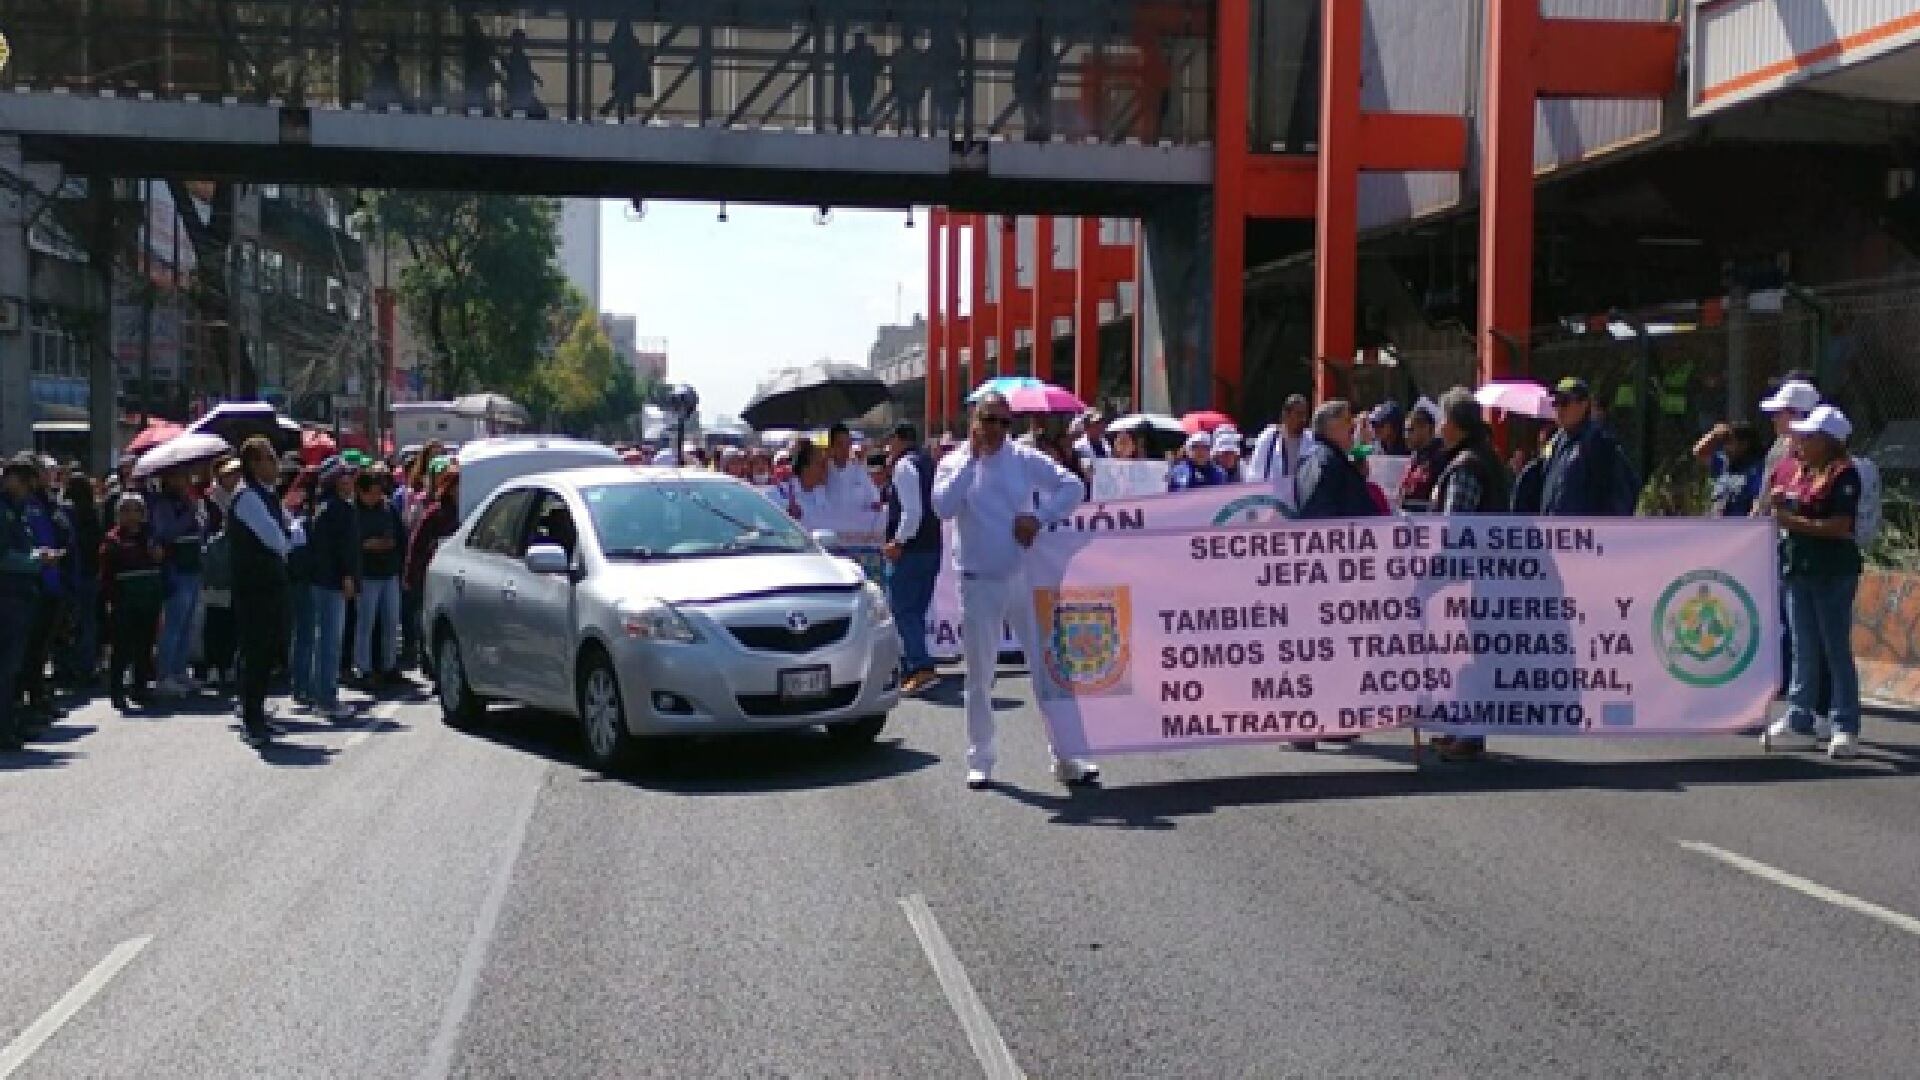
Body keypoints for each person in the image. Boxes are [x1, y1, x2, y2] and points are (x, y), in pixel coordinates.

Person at [931, 391, 1098, 790]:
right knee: (980, 677)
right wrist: (971, 459)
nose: (997, 430)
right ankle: (981, 758)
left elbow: (1071, 486)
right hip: (977, 582)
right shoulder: (955, 462)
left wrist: (1039, 517)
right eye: (990, 420)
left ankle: (1065, 755)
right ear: (974, 419)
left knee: (1048, 668)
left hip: (1022, 577)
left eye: (1005, 422)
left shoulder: (1022, 459)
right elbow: (943, 507)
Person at [1762, 405, 1864, 760]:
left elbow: (1840, 526)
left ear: (1828, 441)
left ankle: (1845, 726)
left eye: (1808, 437)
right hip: (1799, 569)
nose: (1799, 441)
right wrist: (1777, 506)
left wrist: (1789, 521)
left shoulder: (1844, 474)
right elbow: (1782, 506)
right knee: (1802, 647)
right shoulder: (1796, 470)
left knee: (1834, 649)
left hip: (1832, 572)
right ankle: (1799, 717)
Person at [1426, 388, 1510, 761]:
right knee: (1472, 652)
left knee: (1474, 653)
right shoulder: (1486, 459)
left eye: (1444, 419)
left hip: (1476, 575)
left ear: (1456, 425)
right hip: (1487, 571)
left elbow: (1455, 530)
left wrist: (1431, 579)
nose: (1439, 426)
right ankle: (1463, 727)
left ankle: (1471, 734)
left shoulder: (1466, 467)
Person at [230, 437, 294, 745]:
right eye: (270, 458)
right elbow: (277, 539)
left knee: (267, 652)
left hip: (271, 584)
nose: (276, 464)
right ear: (255, 464)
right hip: (253, 586)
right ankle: (250, 718)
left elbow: (293, 531)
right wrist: (290, 537)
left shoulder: (268, 496)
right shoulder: (248, 498)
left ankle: (258, 714)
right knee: (255, 653)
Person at [2, 456, 56, 750]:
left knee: (15, 667)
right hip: (8, 594)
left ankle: (11, 723)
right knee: (8, 667)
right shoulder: (4, 511)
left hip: (20, 594)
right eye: (25, 483)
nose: (27, 490)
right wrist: (36, 560)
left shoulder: (16, 511)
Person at [884, 423, 942, 694]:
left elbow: (912, 512)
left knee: (904, 609)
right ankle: (914, 664)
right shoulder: (928, 463)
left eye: (891, 439)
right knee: (916, 610)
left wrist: (898, 541)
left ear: (900, 439)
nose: (889, 445)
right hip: (931, 546)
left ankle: (920, 667)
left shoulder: (905, 466)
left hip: (912, 549)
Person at [307, 458, 361, 721]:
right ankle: (326, 698)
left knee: (324, 640)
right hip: (332, 582)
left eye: (350, 476)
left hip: (322, 581)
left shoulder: (324, 508)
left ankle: (321, 694)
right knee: (330, 642)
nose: (349, 481)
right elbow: (343, 549)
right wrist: (347, 577)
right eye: (343, 477)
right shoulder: (338, 510)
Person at [98, 495, 163, 711]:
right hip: (124, 600)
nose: (131, 515)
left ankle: (140, 688)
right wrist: (110, 600)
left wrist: (158, 555)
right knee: (122, 648)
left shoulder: (151, 536)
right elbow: (106, 574)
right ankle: (117, 691)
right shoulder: (113, 539)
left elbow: (161, 561)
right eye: (126, 510)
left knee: (145, 647)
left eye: (136, 510)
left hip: (149, 598)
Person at [1540, 377, 1638, 516]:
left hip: (1587, 535)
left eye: (1565, 402)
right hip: (1556, 534)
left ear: (1584, 404)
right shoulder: (1556, 443)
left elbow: (1620, 498)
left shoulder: (1600, 444)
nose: (1559, 409)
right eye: (1555, 403)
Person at [147, 468, 206, 696]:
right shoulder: (162, 504)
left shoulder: (187, 501)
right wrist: (188, 515)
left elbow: (200, 531)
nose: (185, 480)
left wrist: (197, 516)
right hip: (175, 568)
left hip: (193, 566)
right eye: (180, 476)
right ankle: (165, 674)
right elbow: (165, 532)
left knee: (187, 623)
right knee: (173, 623)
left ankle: (180, 670)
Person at [404, 459, 461, 659]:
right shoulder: (435, 513)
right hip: (431, 575)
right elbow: (417, 545)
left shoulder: (467, 511)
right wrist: (411, 576)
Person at [353, 471, 405, 688]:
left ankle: (389, 665)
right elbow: (358, 542)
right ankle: (363, 669)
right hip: (367, 575)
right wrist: (373, 544)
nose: (377, 496)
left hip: (389, 572)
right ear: (361, 493)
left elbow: (396, 538)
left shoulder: (388, 508)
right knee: (366, 623)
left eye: (379, 492)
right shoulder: (354, 512)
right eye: (372, 493)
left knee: (391, 621)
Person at [199, 459, 245, 690]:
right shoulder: (209, 500)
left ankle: (228, 665)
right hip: (216, 564)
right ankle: (212, 666)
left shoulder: (243, 498)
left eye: (237, 473)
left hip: (235, 565)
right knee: (214, 621)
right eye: (228, 474)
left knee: (232, 621)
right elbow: (204, 531)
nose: (233, 478)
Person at [1294, 401, 1381, 519]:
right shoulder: (1327, 462)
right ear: (1331, 425)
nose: (1354, 425)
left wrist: (1361, 447)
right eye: (1348, 419)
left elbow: (1359, 476)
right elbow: (1319, 512)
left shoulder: (1326, 457)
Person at [60, 472, 104, 689]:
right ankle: (86, 666)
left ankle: (67, 666)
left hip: (69, 573)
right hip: (89, 572)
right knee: (88, 622)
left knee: (69, 622)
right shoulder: (92, 513)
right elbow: (98, 543)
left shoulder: (64, 512)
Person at [1694, 420, 1766, 517]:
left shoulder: (1757, 470)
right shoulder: (1724, 463)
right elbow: (1699, 452)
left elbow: (1759, 501)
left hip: (1739, 525)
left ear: (1744, 444)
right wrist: (1714, 434)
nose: (1725, 447)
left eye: (1730, 442)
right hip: (1715, 524)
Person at [1250, 394, 1313, 486]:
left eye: (1305, 414)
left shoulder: (1311, 440)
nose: (1303, 419)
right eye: (1299, 414)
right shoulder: (1269, 437)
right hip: (1274, 495)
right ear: (1286, 415)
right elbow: (1255, 472)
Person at [600, 16, 653, 121]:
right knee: (627, 93)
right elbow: (638, 55)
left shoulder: (617, 41)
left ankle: (618, 112)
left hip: (622, 71)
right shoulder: (632, 41)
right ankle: (625, 113)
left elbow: (610, 54)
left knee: (623, 93)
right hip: (629, 72)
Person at [1400, 398, 1443, 512]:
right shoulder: (1414, 459)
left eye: (1410, 430)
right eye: (1405, 431)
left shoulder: (1439, 459)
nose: (1406, 436)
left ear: (1426, 428)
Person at [843, 30, 881, 131]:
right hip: (864, 82)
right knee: (861, 104)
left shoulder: (852, 53)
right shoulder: (868, 51)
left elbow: (845, 68)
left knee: (859, 104)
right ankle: (861, 123)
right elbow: (877, 65)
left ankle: (858, 124)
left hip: (860, 83)